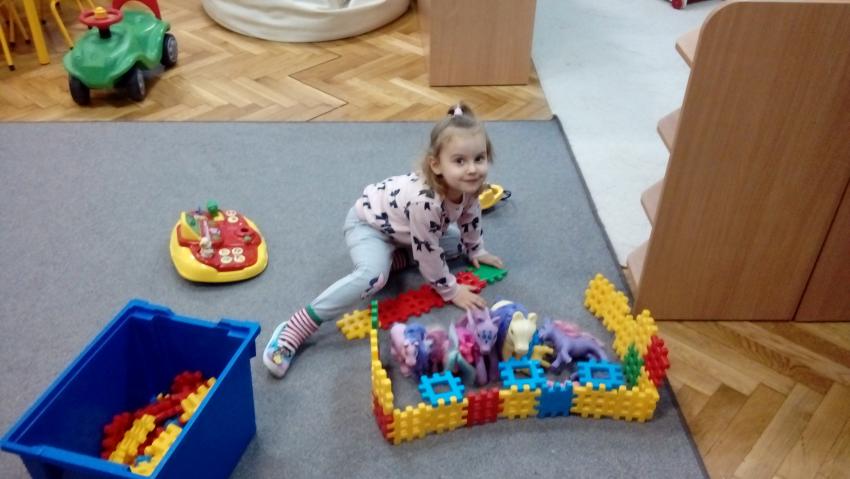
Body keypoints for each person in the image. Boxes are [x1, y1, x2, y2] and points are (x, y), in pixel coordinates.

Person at [263, 102, 504, 378]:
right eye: (459, 161)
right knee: (373, 277)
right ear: (436, 165)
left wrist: (476, 249)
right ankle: (297, 326)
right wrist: (451, 290)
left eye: (479, 159)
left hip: (406, 232)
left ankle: (396, 259)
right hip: (369, 226)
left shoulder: (468, 186)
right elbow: (428, 252)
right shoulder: (425, 203)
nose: (472, 169)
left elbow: (470, 216)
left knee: (456, 245)